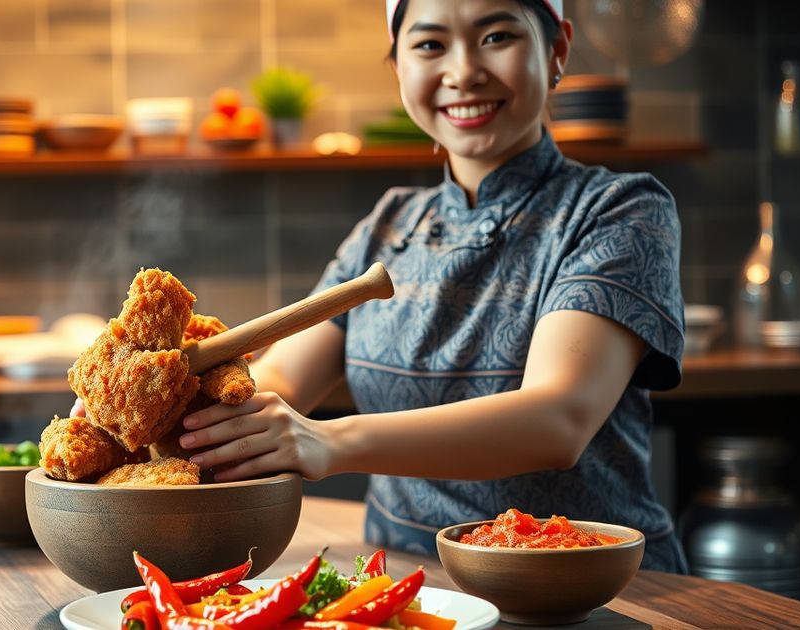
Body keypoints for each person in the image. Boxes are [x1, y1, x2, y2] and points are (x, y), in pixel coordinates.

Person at [170, 0, 688, 573]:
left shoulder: (619, 210)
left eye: (496, 36)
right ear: (398, 69)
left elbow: (558, 419)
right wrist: (163, 409)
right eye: (429, 44)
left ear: (557, 49)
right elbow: (283, 380)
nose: (462, 71)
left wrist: (332, 442)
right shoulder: (387, 224)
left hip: (588, 590)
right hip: (405, 586)